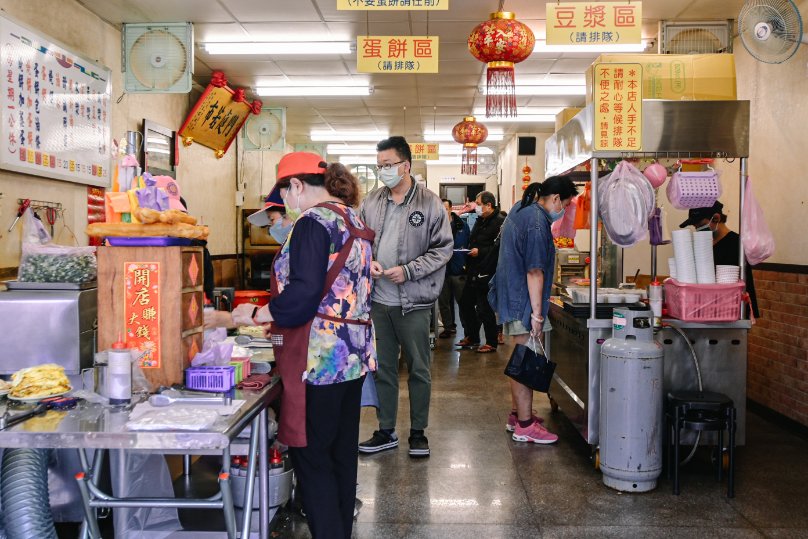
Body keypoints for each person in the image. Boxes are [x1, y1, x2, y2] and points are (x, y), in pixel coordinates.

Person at [263, 152, 376, 539]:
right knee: (341, 455)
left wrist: (263, 314)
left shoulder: (313, 223)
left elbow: (304, 293)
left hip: (321, 359)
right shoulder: (352, 218)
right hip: (354, 356)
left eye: (285, 195)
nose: (286, 206)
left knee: (312, 457)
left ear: (295, 186)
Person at [358, 136, 453, 458]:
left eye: (388, 165)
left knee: (418, 369)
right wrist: (365, 259)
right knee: (382, 368)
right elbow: (359, 241)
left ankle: (417, 432)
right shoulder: (371, 202)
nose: (383, 171)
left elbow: (443, 249)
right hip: (378, 302)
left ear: (405, 166)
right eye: (379, 166)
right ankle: (385, 430)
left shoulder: (430, 204)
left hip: (414, 302)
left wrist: (409, 270)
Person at [490, 176, 578, 444]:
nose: (563, 211)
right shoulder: (538, 223)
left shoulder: (521, 207)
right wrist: (537, 315)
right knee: (524, 360)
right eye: (564, 204)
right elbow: (535, 271)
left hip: (510, 294)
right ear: (554, 199)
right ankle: (525, 426)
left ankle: (517, 415)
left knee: (520, 358)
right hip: (522, 300)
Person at [679, 200, 759, 318]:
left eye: (701, 225)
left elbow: (739, 285)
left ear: (716, 218)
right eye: (696, 227)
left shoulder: (736, 244)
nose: (698, 230)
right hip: (707, 311)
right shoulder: (704, 245)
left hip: (732, 313)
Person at [456, 191, 505, 353]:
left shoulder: (500, 222)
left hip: (488, 271)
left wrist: (480, 251)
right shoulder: (480, 219)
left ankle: (491, 341)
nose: (475, 207)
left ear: (488, 205)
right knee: (465, 303)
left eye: (478, 204)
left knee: (485, 308)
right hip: (473, 270)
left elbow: (498, 248)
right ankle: (472, 336)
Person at [438, 199, 470, 339]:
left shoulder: (462, 225)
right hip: (442, 271)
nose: (444, 211)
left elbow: (469, 243)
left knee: (463, 302)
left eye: (446, 208)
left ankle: (468, 330)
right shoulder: (435, 226)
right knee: (444, 302)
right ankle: (448, 327)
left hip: (458, 270)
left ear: (451, 208)